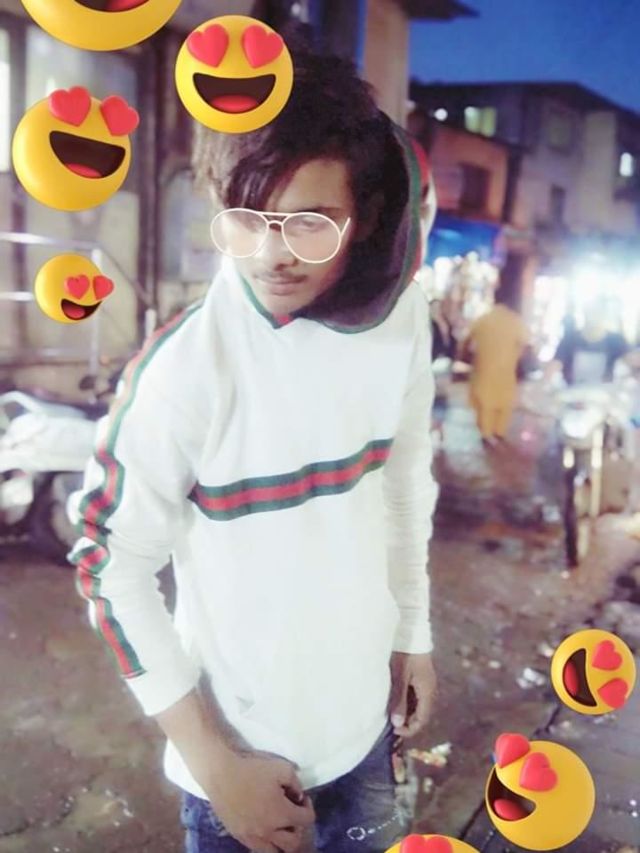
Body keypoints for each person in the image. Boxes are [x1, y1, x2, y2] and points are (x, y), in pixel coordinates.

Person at [68, 46, 438, 853]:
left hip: (367, 737)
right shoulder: (187, 373)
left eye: (310, 221)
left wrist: (413, 632)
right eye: (246, 219)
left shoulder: (403, 321)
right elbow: (110, 564)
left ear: (365, 215)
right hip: (241, 769)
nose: (274, 253)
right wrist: (216, 764)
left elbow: (405, 482)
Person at [461, 276, 529, 445]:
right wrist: (515, 358)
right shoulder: (515, 321)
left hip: (483, 369)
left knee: (485, 402)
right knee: (504, 402)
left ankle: (486, 433)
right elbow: (524, 345)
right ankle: (499, 431)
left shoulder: (483, 319)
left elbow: (466, 341)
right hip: (506, 371)